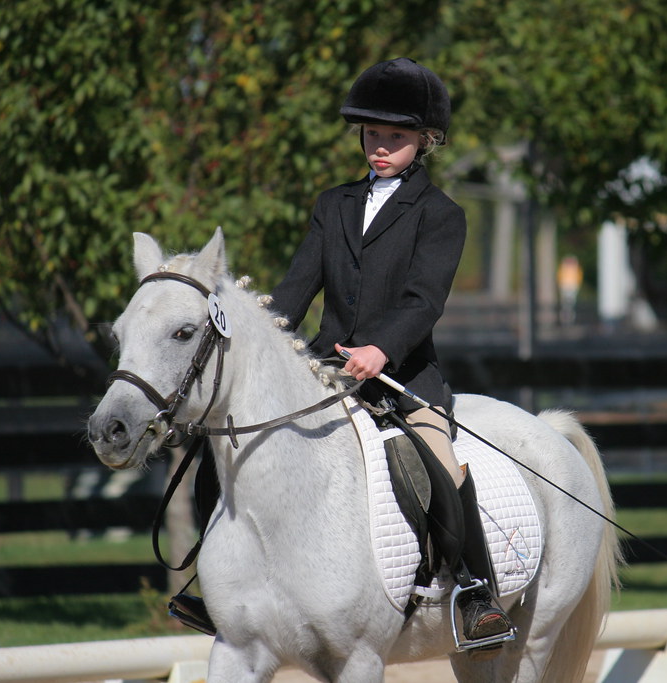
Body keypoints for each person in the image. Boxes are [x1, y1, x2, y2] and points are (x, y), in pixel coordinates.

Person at [270, 57, 515, 649]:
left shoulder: (441, 215)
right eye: (372, 134)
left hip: (402, 378)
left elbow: (423, 299)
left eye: (395, 137)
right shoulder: (333, 205)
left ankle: (476, 591)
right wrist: (267, 336)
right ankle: (219, 579)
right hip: (325, 375)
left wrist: (382, 348)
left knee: (438, 461)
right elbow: (295, 288)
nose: (379, 147)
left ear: (425, 141)